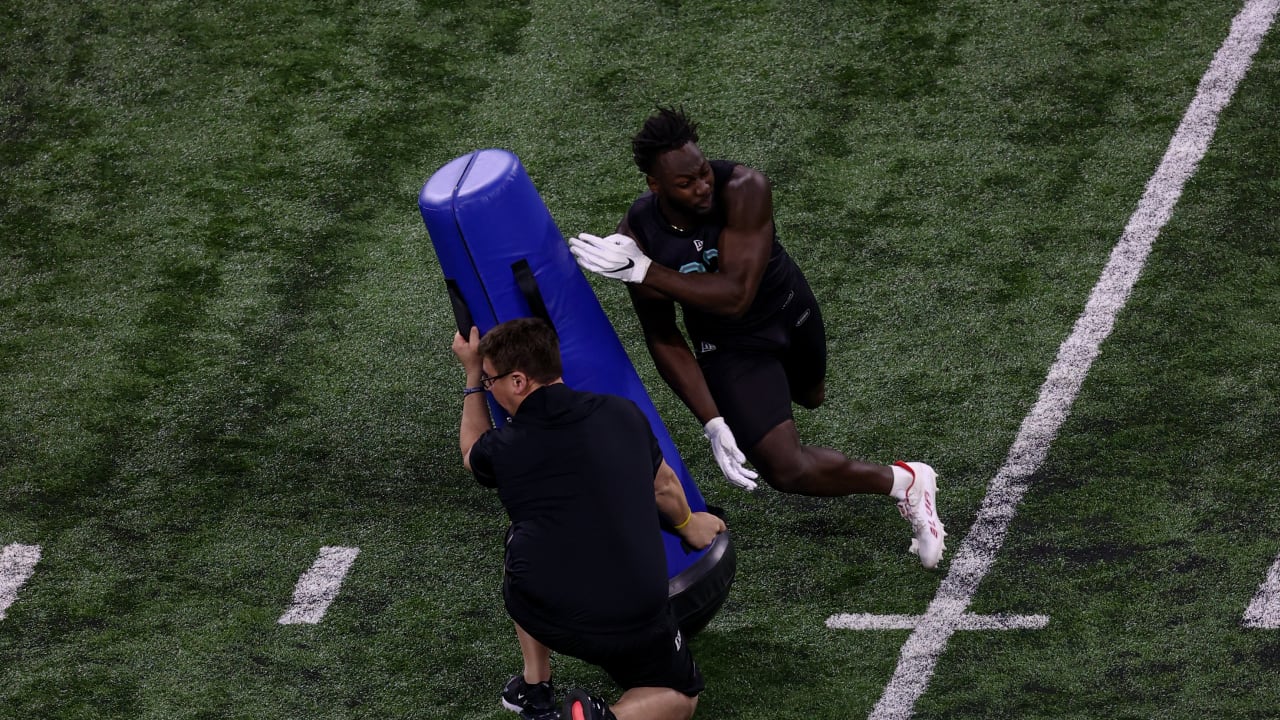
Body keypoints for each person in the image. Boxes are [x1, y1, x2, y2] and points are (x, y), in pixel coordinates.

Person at [567, 107, 946, 569]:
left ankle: (766, 402)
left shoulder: (745, 188)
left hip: (787, 311)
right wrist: (711, 419)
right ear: (655, 186)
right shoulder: (638, 237)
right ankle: (906, 481)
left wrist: (647, 271)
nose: (702, 186)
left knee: (811, 396)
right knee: (784, 468)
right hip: (729, 346)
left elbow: (736, 295)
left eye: (703, 172)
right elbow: (662, 334)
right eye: (686, 183)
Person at [452, 317, 725, 720]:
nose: (490, 388)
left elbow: (470, 449)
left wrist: (472, 375)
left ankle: (536, 686)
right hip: (637, 616)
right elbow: (664, 486)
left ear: (518, 382)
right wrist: (690, 525)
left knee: (521, 541)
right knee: (681, 697)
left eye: (493, 380)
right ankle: (604, 718)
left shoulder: (506, 446)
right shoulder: (623, 414)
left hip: (549, 613)